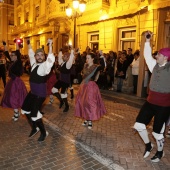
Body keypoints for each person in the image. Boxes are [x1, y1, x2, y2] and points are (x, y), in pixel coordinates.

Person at [134, 31, 170, 162]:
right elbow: (147, 55)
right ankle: (149, 145)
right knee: (138, 125)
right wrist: (148, 41)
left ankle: (160, 153)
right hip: (150, 102)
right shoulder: (154, 65)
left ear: (165, 57)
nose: (157, 55)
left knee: (157, 133)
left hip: (164, 106)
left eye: (159, 54)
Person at [21, 39, 55, 142]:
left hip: (40, 94)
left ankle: (44, 132)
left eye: (41, 55)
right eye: (38, 55)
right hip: (33, 93)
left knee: (34, 114)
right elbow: (31, 54)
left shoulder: (45, 66)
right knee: (25, 110)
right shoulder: (33, 64)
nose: (40, 56)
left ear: (44, 57)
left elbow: (50, 59)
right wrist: (29, 44)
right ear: (36, 57)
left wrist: (50, 46)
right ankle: (34, 128)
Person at [75, 52, 106, 129]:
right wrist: (77, 53)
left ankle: (90, 120)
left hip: (91, 87)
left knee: (90, 103)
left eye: (88, 58)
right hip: (84, 86)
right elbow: (78, 64)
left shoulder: (96, 67)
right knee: (83, 103)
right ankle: (86, 118)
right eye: (86, 58)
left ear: (92, 59)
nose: (87, 59)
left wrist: (101, 55)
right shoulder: (85, 65)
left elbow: (103, 66)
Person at [1, 41, 27, 121]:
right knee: (11, 98)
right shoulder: (13, 62)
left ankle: (17, 113)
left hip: (17, 83)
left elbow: (18, 53)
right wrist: (5, 45)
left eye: (13, 55)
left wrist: (17, 44)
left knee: (14, 98)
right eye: (11, 55)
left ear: (16, 56)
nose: (11, 56)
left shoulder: (18, 62)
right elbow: (6, 53)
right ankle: (16, 112)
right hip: (12, 82)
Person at [51, 46, 74, 112]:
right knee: (53, 90)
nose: (63, 57)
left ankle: (67, 106)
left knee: (63, 94)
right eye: (63, 56)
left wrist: (72, 50)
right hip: (61, 80)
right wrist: (60, 51)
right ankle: (61, 101)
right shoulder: (62, 62)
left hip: (65, 81)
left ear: (67, 58)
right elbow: (59, 58)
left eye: (64, 56)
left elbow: (71, 58)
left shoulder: (68, 64)